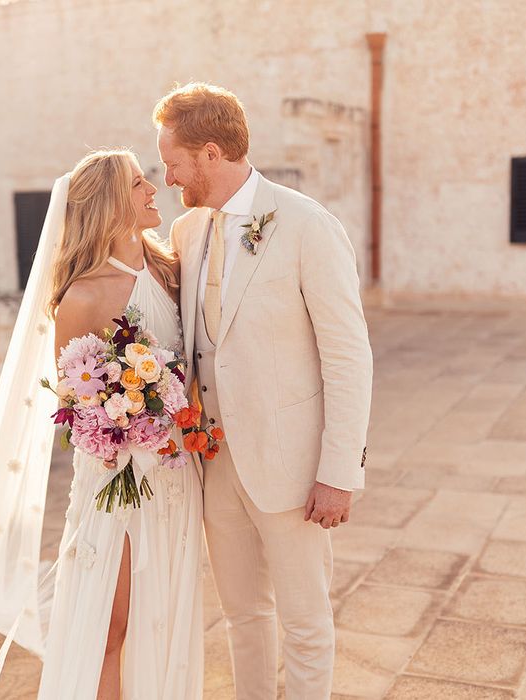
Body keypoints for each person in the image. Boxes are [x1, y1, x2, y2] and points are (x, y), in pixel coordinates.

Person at [0, 149, 203, 700]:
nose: (154, 189)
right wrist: (131, 418)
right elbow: (76, 405)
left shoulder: (171, 270)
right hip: (117, 484)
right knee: (109, 626)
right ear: (110, 203)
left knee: (165, 612)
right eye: (139, 183)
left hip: (175, 475)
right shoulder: (82, 295)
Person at [154, 82, 373, 699]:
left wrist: (339, 471)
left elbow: (349, 357)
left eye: (173, 162)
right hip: (215, 461)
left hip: (295, 469)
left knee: (305, 622)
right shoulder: (189, 230)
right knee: (243, 615)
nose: (168, 176)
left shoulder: (307, 224)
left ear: (211, 154)